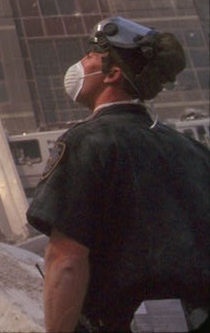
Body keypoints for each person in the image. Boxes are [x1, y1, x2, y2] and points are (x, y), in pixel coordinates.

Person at [26, 17, 210, 332]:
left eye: (90, 56)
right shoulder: (192, 149)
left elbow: (67, 261)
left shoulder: (86, 143)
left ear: (112, 74)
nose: (80, 64)